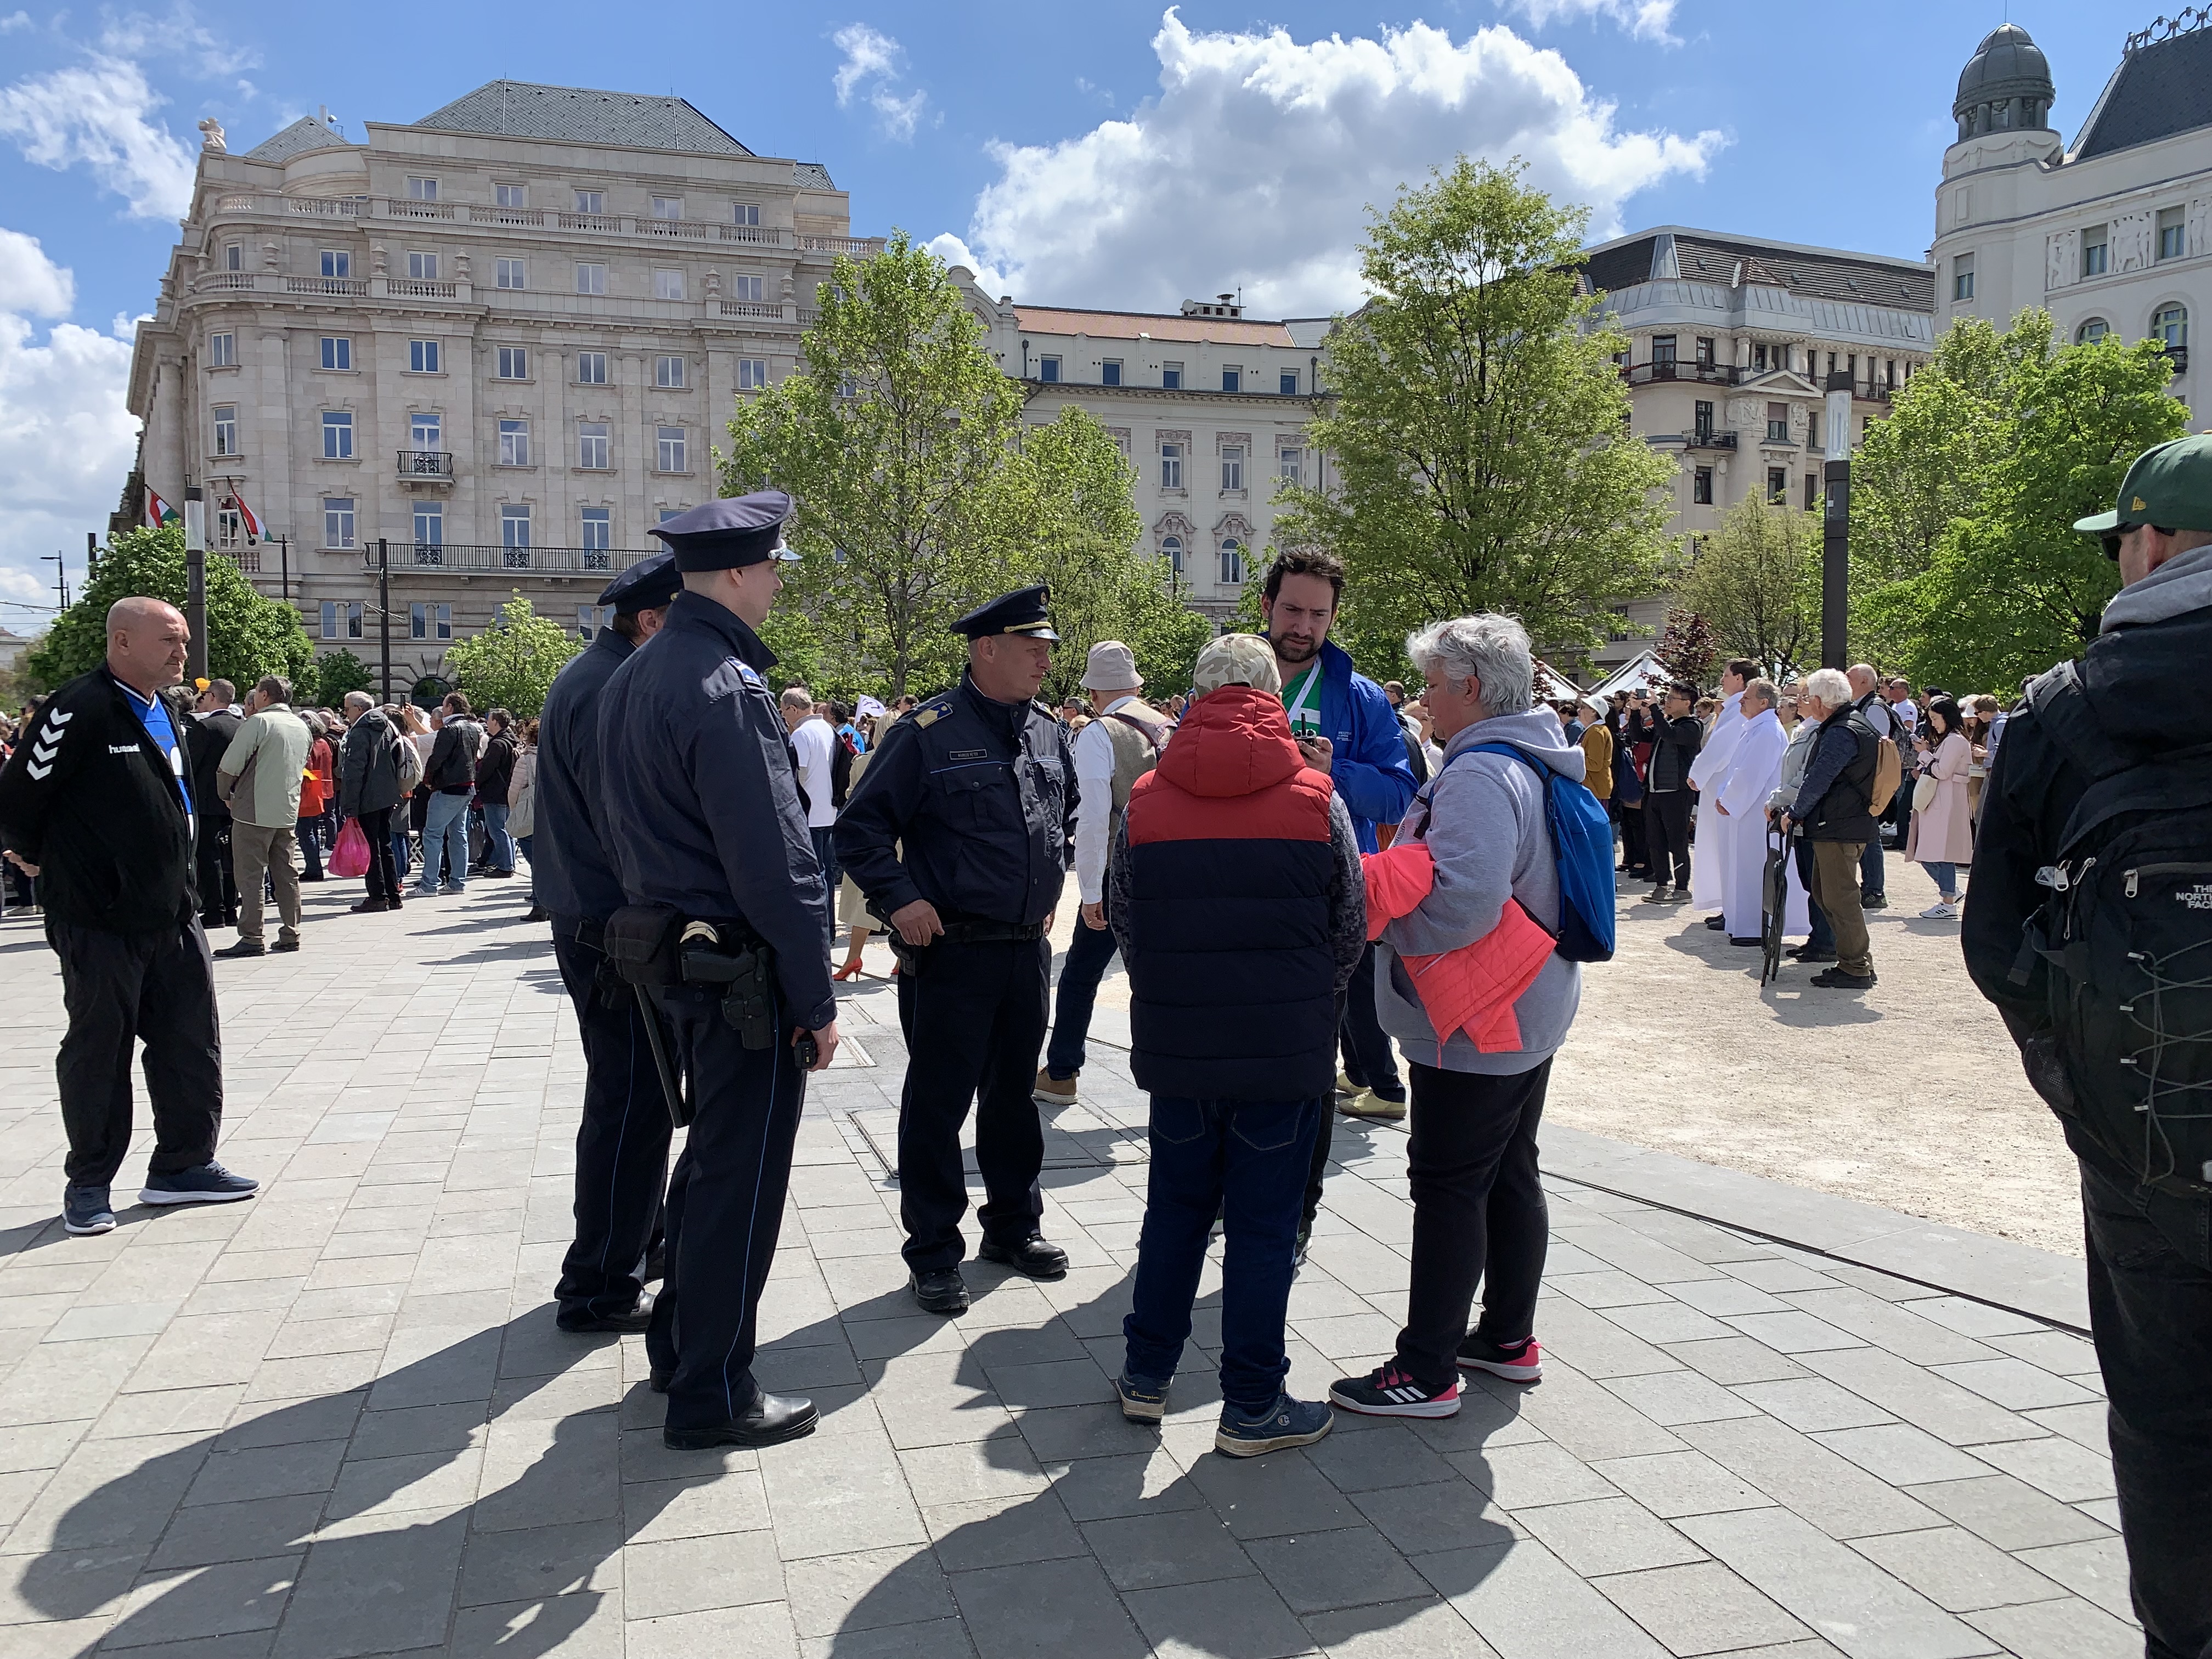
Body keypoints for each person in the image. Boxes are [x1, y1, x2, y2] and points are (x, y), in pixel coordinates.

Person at [1965, 437, 2212, 1659]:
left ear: (2154, 541)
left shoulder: (2061, 711)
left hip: (2144, 1132)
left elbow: (1996, 943)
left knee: (2166, 1418)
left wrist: (2088, 1095)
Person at [597, 495, 836, 1449]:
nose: (780, 581)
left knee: (706, 1166)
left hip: (670, 952)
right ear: (739, 571)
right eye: (774, 565)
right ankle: (714, 1386)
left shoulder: (638, 673)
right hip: (741, 972)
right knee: (740, 1178)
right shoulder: (729, 686)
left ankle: (679, 1344)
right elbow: (775, 863)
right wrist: (815, 996)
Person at [1110, 634, 1364, 1453]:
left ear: (1197, 696)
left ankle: (1147, 1375)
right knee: (1263, 1227)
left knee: (1175, 1211)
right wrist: (1309, 1001)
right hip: (1283, 1047)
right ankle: (1252, 1403)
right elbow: (1350, 927)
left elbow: (1124, 916)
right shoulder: (1316, 797)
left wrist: (1171, 988)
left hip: (1181, 1043)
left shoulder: (1147, 798)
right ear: (1269, 698)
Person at [1329, 613, 1582, 1418]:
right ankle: (1507, 1337)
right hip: (1526, 1002)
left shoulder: (1479, 773)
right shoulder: (1532, 755)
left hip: (1477, 1015)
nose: (1426, 702)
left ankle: (1427, 1371)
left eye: (1434, 686)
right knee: (1508, 1172)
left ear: (1470, 689)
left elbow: (1464, 902)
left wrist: (1384, 922)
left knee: (1447, 1186)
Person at [837, 584, 1078, 1316]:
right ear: (986, 649)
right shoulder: (927, 731)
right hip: (952, 951)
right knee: (938, 1105)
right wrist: (900, 901)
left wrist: (1040, 890)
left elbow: (1057, 817)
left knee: (1012, 1099)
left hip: (1023, 951)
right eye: (1031, 647)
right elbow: (861, 830)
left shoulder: (1044, 730)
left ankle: (1011, 1227)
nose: (1044, 659)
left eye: (1048, 648)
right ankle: (934, 1251)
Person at [0, 597, 257, 1236]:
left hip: (173, 913)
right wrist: (38, 860)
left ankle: (183, 1165)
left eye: (185, 641)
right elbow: (20, 799)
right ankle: (89, 1182)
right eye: (170, 640)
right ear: (121, 641)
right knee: (98, 1049)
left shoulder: (166, 708)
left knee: (190, 1043)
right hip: (98, 917)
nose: (183, 654)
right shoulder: (78, 707)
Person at [536, 553, 684, 1339]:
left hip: (594, 921)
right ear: (652, 622)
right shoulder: (609, 688)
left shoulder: (592, 674)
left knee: (634, 1098)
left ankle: (637, 1243)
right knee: (631, 1104)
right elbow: (626, 825)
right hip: (614, 933)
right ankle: (598, 1284)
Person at [1257, 550, 1418, 1142]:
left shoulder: (1362, 696)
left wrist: (1336, 772)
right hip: (1240, 890)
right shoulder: (1226, 680)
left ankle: (1294, 1202)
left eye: (1318, 615)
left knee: (1308, 1055)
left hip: (1320, 898)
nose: (1302, 626)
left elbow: (1402, 793)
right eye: (1292, 609)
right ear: (1267, 605)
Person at [1035, 640, 1172, 1109]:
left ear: (1093, 693)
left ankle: (1062, 1070)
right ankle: (1172, 1068)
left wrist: (1090, 890)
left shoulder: (1099, 734)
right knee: (1162, 976)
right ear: (1136, 685)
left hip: (1122, 868)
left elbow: (1094, 821)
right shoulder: (1167, 725)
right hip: (1170, 866)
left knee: (1080, 975)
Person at [1779, 670, 1879, 990]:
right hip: (1838, 824)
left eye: (1808, 697)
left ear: (1821, 701)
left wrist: (1796, 812)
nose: (1805, 702)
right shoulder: (1850, 724)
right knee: (1827, 894)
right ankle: (1854, 961)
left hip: (1839, 826)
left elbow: (1819, 778)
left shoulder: (1841, 731)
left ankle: (1856, 967)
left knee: (1840, 897)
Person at [215, 676, 311, 958]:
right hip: (286, 809)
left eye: (257, 692)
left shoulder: (259, 722)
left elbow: (230, 765)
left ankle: (252, 936)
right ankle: (290, 932)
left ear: (265, 696)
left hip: (252, 809)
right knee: (287, 873)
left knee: (251, 875)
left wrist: (225, 794)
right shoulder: (301, 725)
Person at [1713, 679, 1804, 946]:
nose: (1741, 702)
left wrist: (1729, 799)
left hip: (1755, 812)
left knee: (1752, 867)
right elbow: (1734, 769)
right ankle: (1740, 923)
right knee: (1740, 866)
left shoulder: (1767, 731)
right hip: (1744, 810)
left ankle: (1753, 927)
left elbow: (1750, 775)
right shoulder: (1754, 728)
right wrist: (1724, 795)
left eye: (1747, 698)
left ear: (1764, 703)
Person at [1767, 690, 1835, 964]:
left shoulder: (1820, 731)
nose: (1799, 701)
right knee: (1809, 881)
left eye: (1806, 696)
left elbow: (1805, 777)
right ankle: (1817, 938)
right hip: (1799, 816)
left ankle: (1826, 941)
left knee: (1818, 883)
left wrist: (1778, 799)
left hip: (1811, 816)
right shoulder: (1804, 728)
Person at [1688, 659, 1756, 928]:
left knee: (1724, 847)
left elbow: (1721, 746)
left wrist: (1697, 774)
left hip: (1723, 786)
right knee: (1720, 848)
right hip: (1719, 783)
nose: (1722, 680)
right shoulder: (1736, 706)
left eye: (1726, 675)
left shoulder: (1740, 706)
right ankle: (1727, 905)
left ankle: (1731, 908)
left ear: (1739, 678)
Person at [1904, 696, 1973, 919]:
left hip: (1947, 801)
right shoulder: (1952, 740)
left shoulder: (1955, 741)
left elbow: (1943, 771)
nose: (1933, 723)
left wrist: (1924, 753)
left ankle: (1949, 898)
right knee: (1931, 851)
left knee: (1939, 852)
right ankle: (1950, 892)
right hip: (1942, 800)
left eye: (1935, 718)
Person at [336, 691, 405, 912]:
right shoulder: (387, 726)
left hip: (367, 797)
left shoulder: (360, 732)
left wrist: (349, 806)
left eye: (347, 709)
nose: (345, 714)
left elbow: (354, 771)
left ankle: (377, 896)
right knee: (385, 844)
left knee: (371, 847)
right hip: (387, 794)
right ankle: (393, 895)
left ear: (358, 709)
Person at [780, 686, 840, 938]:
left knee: (813, 875)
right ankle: (829, 928)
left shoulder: (801, 735)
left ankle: (819, 929)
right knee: (825, 873)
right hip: (829, 809)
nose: (783, 717)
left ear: (793, 709)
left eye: (784, 712)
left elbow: (798, 773)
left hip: (809, 814)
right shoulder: (828, 728)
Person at [187, 680, 242, 930]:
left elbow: (190, 765)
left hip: (207, 802)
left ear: (212, 697)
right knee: (231, 855)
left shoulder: (205, 728)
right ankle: (231, 908)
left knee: (209, 858)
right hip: (235, 800)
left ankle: (215, 910)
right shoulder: (241, 727)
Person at [416, 693, 482, 895]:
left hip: (448, 787)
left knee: (433, 835)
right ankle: (457, 882)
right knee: (458, 835)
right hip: (467, 787)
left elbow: (437, 759)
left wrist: (428, 780)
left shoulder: (449, 730)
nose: (443, 710)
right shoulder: (474, 729)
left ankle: (429, 884)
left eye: (444, 706)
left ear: (451, 708)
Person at [1642, 682, 1702, 901]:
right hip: (1655, 792)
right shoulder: (1665, 724)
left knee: (1677, 841)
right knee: (1655, 840)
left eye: (1672, 698)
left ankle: (1682, 888)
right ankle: (1661, 884)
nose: (1667, 701)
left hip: (1677, 792)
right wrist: (1633, 713)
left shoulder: (1691, 726)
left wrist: (1656, 709)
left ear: (1687, 704)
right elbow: (1639, 734)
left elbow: (1669, 734)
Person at [474, 710, 519, 878]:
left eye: (489, 719)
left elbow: (487, 769)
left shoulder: (497, 744)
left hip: (494, 792)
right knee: (506, 830)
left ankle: (506, 866)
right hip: (507, 791)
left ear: (496, 722)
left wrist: (477, 784)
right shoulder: (510, 740)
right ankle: (509, 863)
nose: (487, 723)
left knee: (497, 830)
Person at [510, 718, 541, 921]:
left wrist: (515, 812)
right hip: (552, 817)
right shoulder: (556, 756)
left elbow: (514, 793)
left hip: (530, 816)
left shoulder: (526, 760)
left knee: (535, 863)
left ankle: (539, 904)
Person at [297, 714, 334, 883]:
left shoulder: (309, 744)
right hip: (323, 788)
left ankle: (313, 868)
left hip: (308, 789)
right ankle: (314, 866)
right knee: (312, 830)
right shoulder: (324, 743)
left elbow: (306, 768)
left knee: (306, 832)